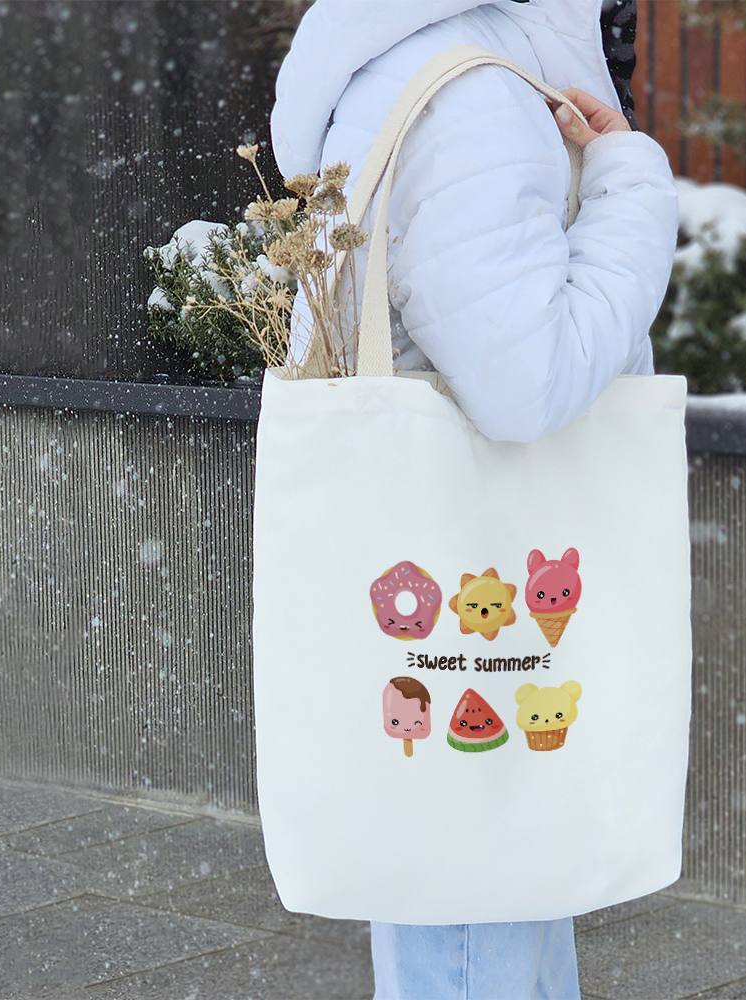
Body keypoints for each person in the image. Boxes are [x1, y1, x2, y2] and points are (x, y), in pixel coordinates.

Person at [271, 1, 677, 996]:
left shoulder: (424, 61)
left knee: (479, 880)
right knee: (476, 910)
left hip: (453, 579)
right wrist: (630, 185)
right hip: (481, 581)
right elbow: (525, 384)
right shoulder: (472, 95)